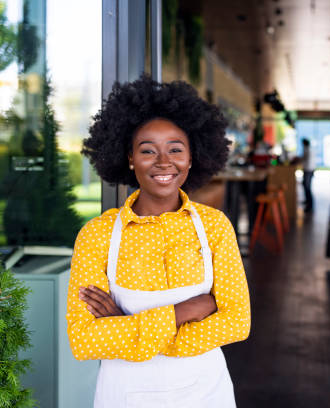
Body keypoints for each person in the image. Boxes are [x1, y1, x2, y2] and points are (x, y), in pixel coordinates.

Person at [68, 76, 250, 407]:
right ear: (130, 159)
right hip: (124, 395)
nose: (164, 162)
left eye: (176, 150)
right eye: (148, 150)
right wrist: (187, 310)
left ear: (192, 157)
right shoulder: (96, 235)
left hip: (206, 393)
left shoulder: (214, 227)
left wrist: (129, 330)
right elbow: (84, 341)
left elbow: (238, 322)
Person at [301, 138, 315, 212]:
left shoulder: (307, 150)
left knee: (307, 187)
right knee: (306, 186)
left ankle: (309, 205)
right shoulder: (309, 149)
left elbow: (303, 158)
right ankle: (308, 202)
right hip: (309, 170)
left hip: (308, 170)